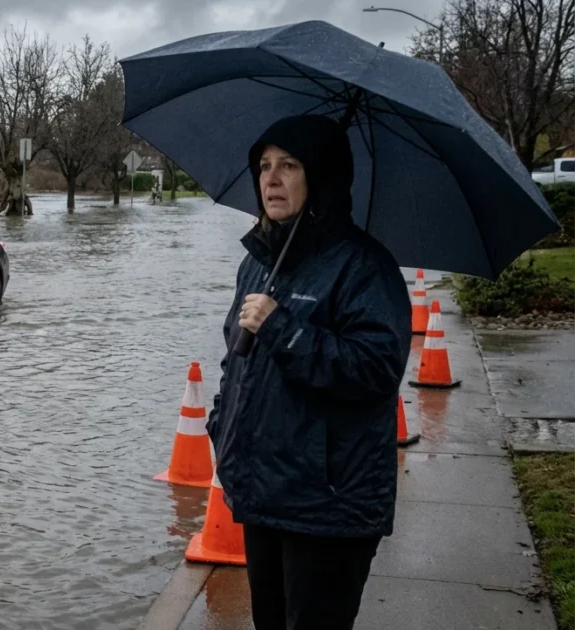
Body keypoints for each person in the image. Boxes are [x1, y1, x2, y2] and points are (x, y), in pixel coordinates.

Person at [205, 115, 412, 630]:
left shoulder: (365, 267)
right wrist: (220, 427)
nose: (270, 179)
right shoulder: (257, 262)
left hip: (327, 507)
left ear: (320, 177)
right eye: (264, 166)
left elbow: (376, 369)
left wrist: (284, 328)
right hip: (263, 493)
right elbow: (236, 362)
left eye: (289, 165)